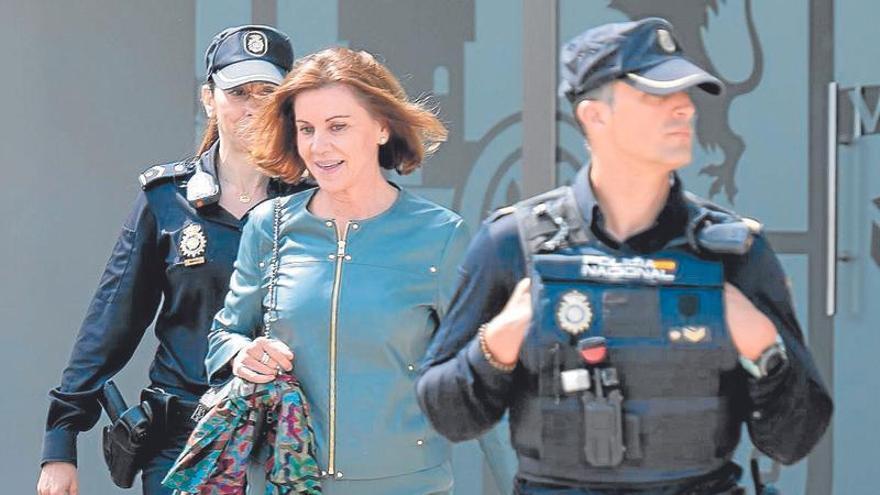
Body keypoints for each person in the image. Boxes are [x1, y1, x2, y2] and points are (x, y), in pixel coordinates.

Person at [416, 17, 833, 495]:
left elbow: (794, 440)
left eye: (685, 94)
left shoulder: (735, 252)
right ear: (595, 115)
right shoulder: (514, 243)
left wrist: (764, 348)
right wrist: (498, 342)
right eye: (656, 95)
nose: (684, 107)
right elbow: (448, 416)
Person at [204, 46, 514, 494]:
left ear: (382, 127)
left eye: (338, 126)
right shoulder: (268, 226)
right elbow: (225, 334)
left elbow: (482, 378)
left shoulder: (440, 236)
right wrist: (241, 353)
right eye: (306, 129)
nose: (319, 146)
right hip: (287, 483)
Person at [37, 25, 309, 495]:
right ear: (209, 99)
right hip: (184, 441)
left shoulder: (316, 203)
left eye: (267, 93)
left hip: (287, 441)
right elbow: (111, 321)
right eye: (238, 92)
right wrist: (61, 441)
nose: (252, 106)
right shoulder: (166, 199)